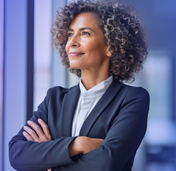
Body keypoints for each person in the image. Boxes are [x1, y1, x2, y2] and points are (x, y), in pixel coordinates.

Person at [9, 0, 149, 170]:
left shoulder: (132, 99)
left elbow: (106, 163)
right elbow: (17, 153)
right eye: (69, 34)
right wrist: (76, 145)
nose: (71, 42)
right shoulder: (55, 99)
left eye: (85, 33)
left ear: (110, 46)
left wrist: (49, 163)